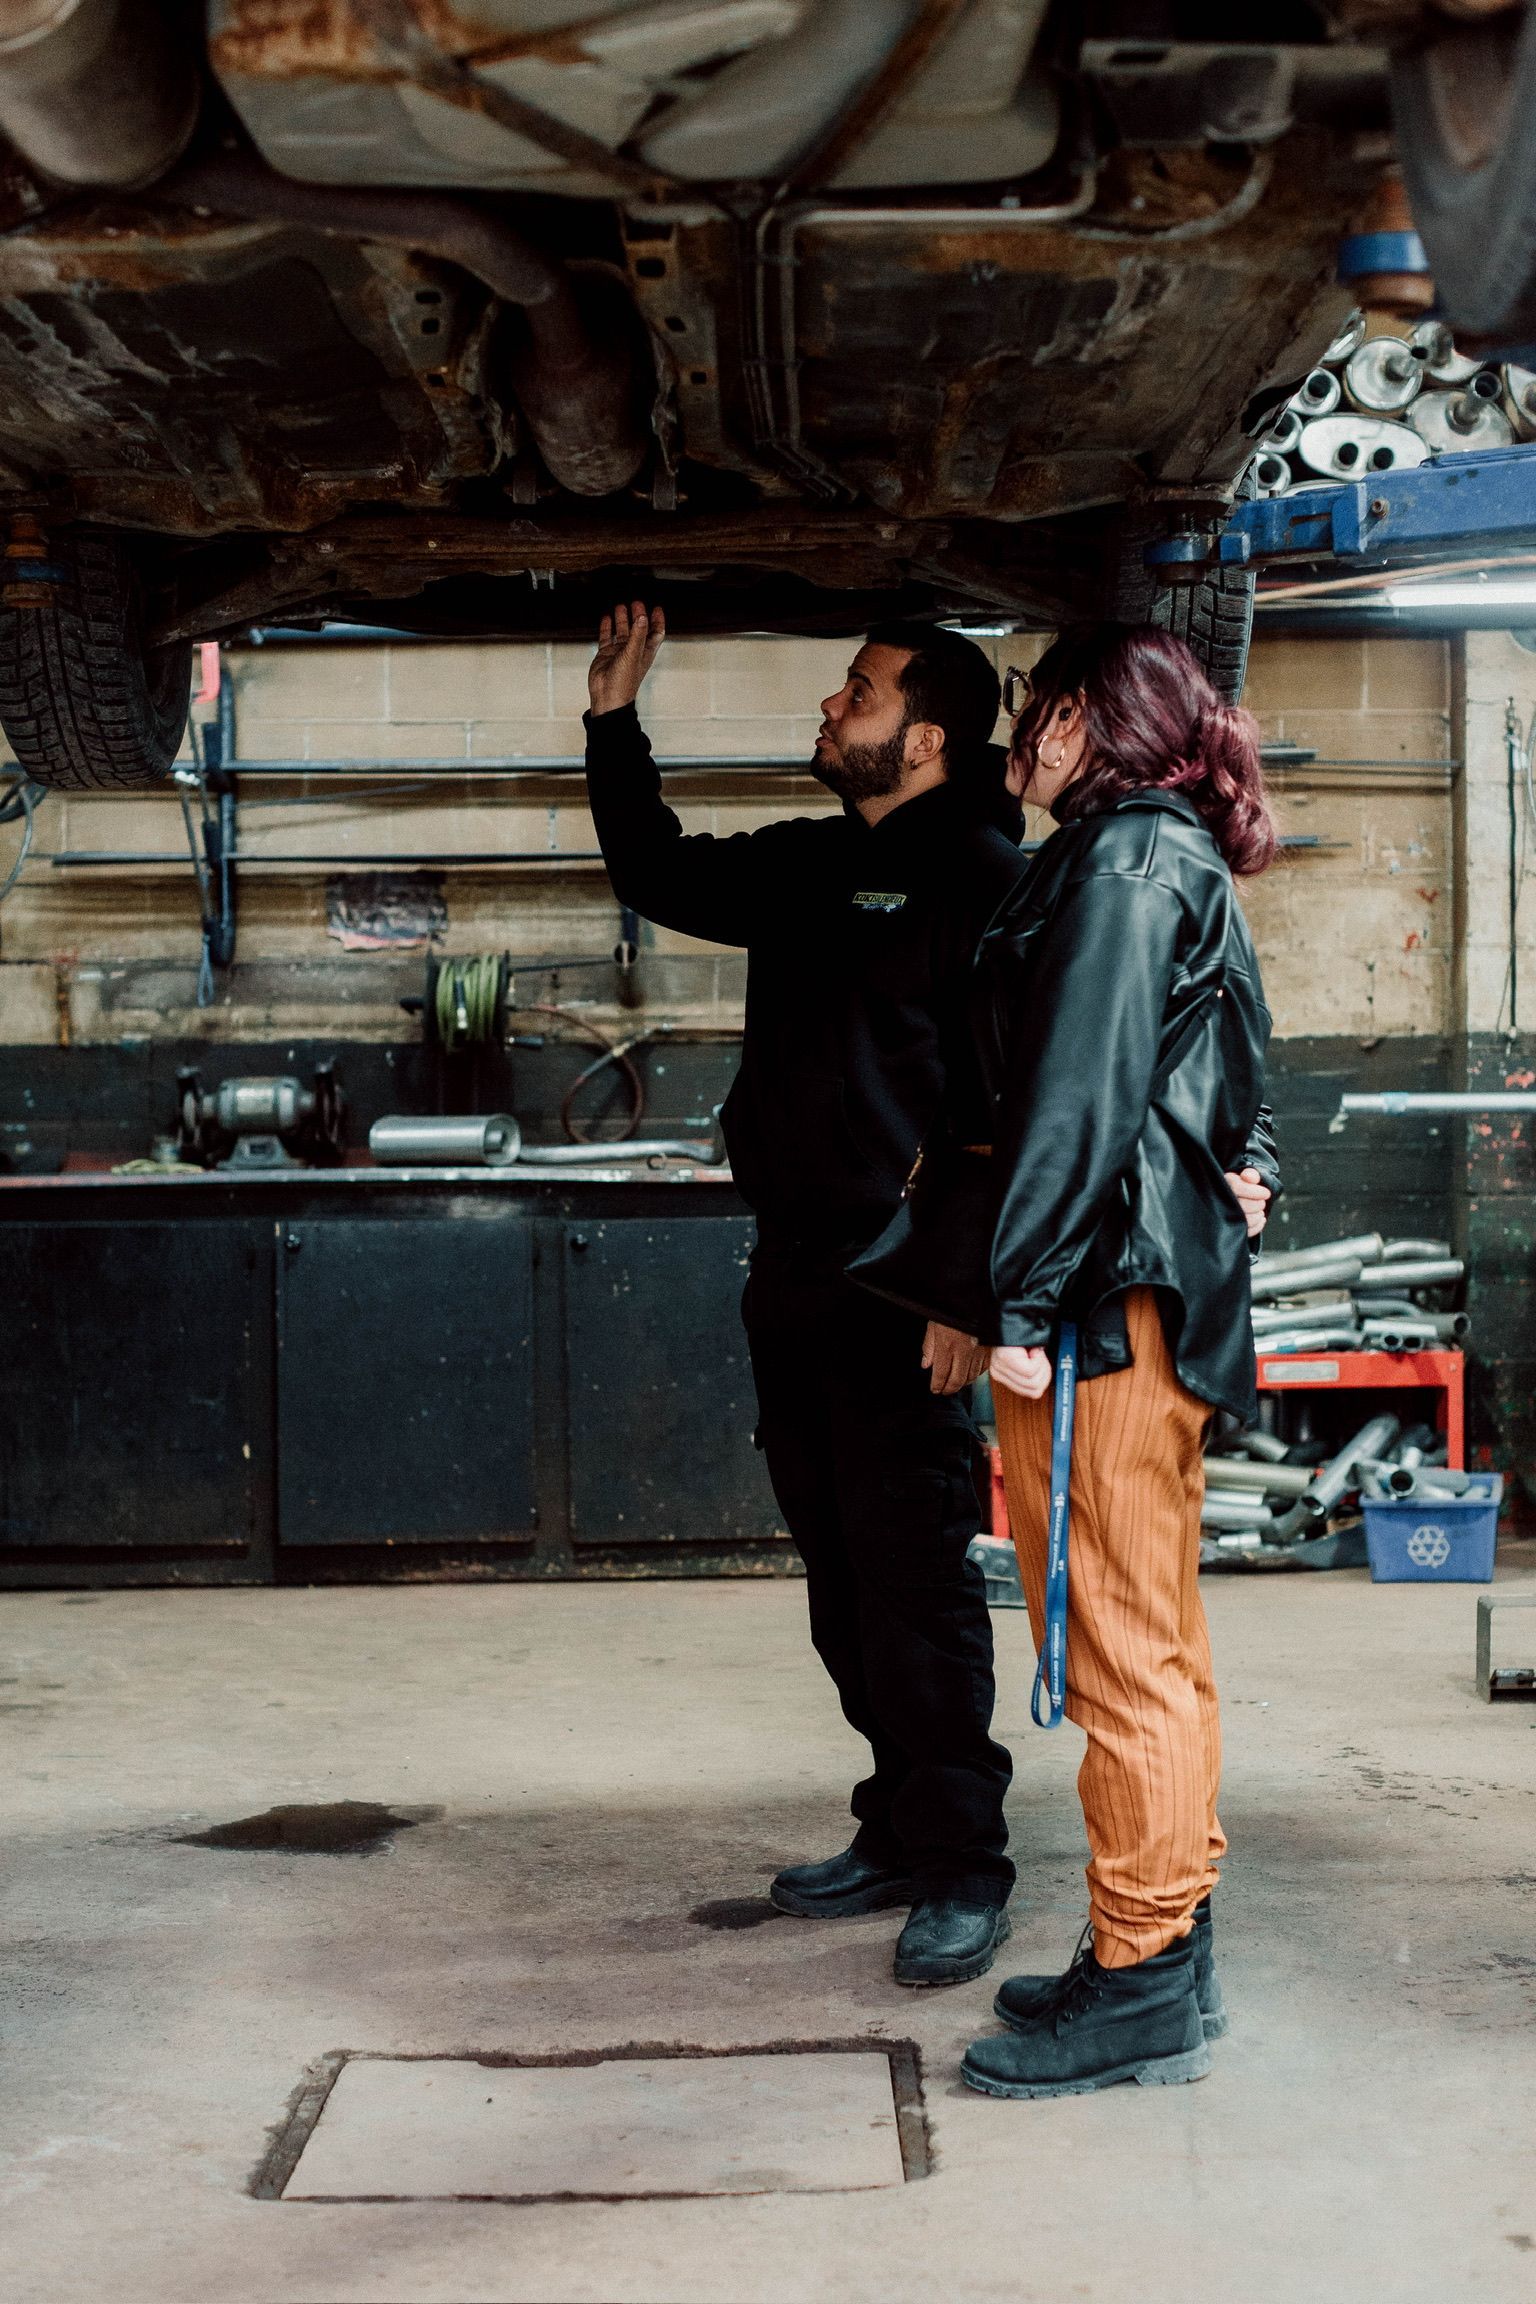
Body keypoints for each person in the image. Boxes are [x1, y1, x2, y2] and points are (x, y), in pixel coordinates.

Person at [584, 604, 1030, 1987]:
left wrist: (972, 1291)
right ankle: (896, 1825)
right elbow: (654, 866)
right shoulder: (809, 865)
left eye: (860, 691)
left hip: (907, 1294)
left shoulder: (987, 879)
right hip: (791, 1266)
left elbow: (1010, 1106)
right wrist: (613, 718)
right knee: (842, 1585)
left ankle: (964, 1862)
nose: (833, 708)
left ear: (929, 735)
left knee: (916, 1583)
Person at [939, 622, 1280, 2099]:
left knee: (1119, 1650)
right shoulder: (1162, 856)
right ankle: (1164, 1942)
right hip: (1143, 1293)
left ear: (1084, 720)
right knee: (1157, 1639)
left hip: (1101, 1311)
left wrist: (1014, 1304)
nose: (1020, 733)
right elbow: (1242, 1073)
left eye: (1035, 707)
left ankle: (1142, 1976)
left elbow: (1073, 1100)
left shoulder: (1130, 862)